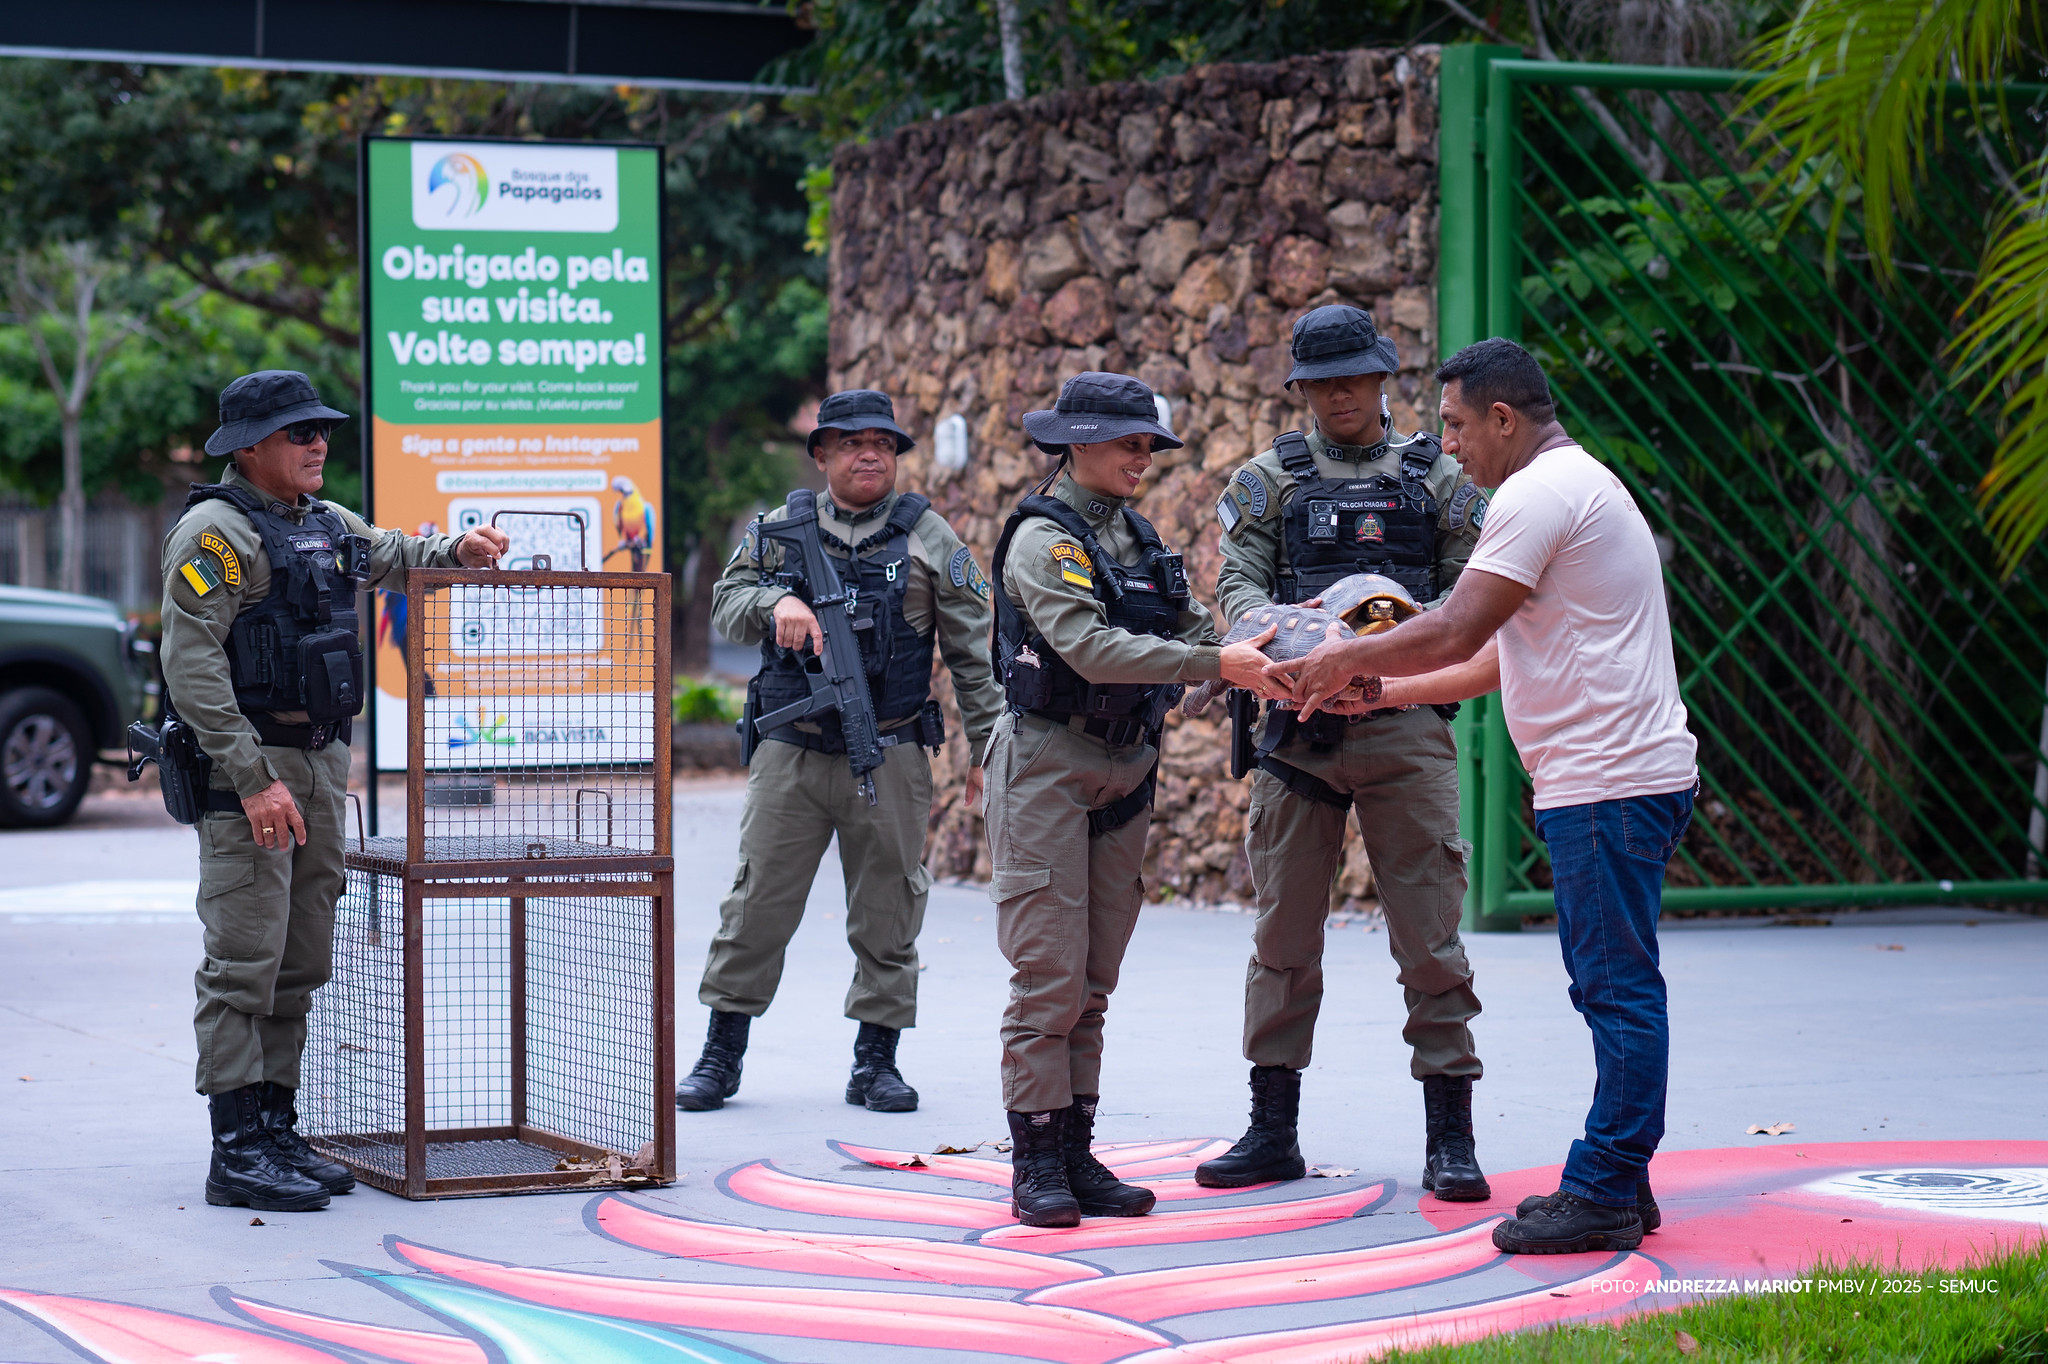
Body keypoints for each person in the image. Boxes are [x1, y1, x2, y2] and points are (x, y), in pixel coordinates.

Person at [1269, 337, 1699, 1255]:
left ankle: (1608, 1187)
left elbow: (1456, 625)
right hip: (1615, 778)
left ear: (1504, 418)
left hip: (1610, 783)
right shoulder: (1577, 488)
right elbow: (1501, 656)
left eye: (1459, 424)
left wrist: (1345, 654)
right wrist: (1379, 692)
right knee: (1612, 984)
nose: (1448, 443)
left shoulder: (1537, 495)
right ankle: (1621, 1179)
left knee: (1617, 990)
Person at [161, 370, 508, 1212]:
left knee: (300, 958)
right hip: (253, 770)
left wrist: (455, 552)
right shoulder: (215, 536)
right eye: (297, 433)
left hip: (316, 768)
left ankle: (278, 1131)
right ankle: (236, 1148)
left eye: (321, 429)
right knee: (245, 959)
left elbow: (392, 553)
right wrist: (251, 780)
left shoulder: (321, 523)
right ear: (249, 448)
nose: (317, 444)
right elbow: (191, 665)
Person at [1199, 304, 1493, 1201]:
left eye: (1353, 378)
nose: (1338, 395)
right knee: (1283, 937)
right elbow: (1235, 584)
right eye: (1320, 382)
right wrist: (1279, 644)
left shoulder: (1439, 479)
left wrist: (1399, 654)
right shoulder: (1269, 480)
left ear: (1380, 378)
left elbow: (1471, 590)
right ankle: (1271, 1130)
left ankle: (1451, 1139)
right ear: (1301, 389)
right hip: (1297, 729)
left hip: (1404, 725)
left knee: (1431, 939)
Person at [985, 372, 1275, 1226]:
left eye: (1148, 442)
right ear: (1076, 445)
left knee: (1094, 979)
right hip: (1045, 766)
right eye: (1127, 442)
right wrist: (1212, 667)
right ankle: (1035, 1161)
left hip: (1123, 768)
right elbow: (1087, 647)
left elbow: (1186, 624)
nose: (1143, 456)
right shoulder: (1045, 541)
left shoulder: (1137, 537)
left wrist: (1247, 652)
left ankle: (1076, 1153)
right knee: (1047, 975)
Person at [679, 389, 1006, 1114]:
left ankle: (875, 1062)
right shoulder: (778, 530)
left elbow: (972, 658)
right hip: (791, 752)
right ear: (821, 453)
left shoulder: (929, 538)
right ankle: (720, 1055)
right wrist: (776, 604)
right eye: (853, 443)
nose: (869, 455)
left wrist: (990, 754)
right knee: (756, 903)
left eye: (883, 445)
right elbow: (727, 607)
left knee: (890, 907)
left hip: (890, 752)